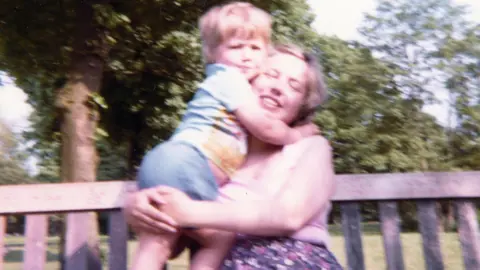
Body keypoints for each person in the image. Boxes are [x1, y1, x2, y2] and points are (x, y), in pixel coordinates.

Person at [131, 2, 318, 270]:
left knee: (159, 241)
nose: (246, 56)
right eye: (235, 47)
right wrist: (300, 133)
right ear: (212, 53)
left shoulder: (223, 86)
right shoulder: (230, 81)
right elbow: (266, 127)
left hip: (169, 161)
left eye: (254, 48)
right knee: (219, 239)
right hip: (187, 165)